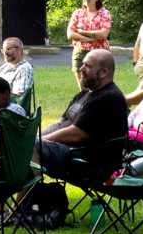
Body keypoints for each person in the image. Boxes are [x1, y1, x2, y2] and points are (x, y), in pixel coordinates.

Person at [36, 48, 128, 176]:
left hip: (92, 163)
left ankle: (26, 195)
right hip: (74, 154)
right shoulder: (85, 93)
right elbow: (60, 122)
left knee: (31, 148)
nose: (81, 69)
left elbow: (75, 134)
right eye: (83, 64)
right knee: (24, 145)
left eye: (88, 66)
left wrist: (40, 141)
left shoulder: (109, 98)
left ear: (103, 73)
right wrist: (37, 138)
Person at [65, 0, 111, 74]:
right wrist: (90, 39)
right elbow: (70, 35)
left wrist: (82, 32)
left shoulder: (104, 13)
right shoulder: (77, 13)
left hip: (99, 52)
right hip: (80, 51)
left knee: (97, 80)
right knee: (82, 83)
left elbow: (103, 34)